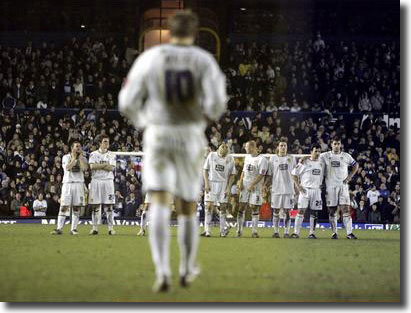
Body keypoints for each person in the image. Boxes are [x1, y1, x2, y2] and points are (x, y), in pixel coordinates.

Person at [118, 10, 227, 292]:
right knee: (188, 206)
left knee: (159, 201)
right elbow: (217, 105)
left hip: (158, 133)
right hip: (190, 135)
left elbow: (126, 100)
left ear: (169, 30)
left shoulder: (151, 58)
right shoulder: (204, 61)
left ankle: (162, 271)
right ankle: (187, 268)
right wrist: (201, 118)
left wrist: (145, 123)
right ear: (194, 33)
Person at [320, 137, 359, 239]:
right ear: (331, 145)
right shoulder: (325, 155)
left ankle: (349, 233)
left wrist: (350, 177)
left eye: (338, 144)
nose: (337, 146)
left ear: (340, 145)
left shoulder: (346, 156)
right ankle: (334, 233)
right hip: (330, 187)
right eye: (335, 144)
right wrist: (304, 158)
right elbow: (313, 156)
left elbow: (356, 165)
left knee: (346, 209)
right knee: (332, 211)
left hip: (343, 186)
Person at [51, 141, 88, 235]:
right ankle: (59, 228)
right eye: (77, 146)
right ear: (72, 148)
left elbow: (84, 168)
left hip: (79, 184)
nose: (79, 148)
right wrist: (74, 158)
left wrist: (80, 158)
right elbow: (67, 167)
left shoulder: (83, 158)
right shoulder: (66, 157)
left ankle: (74, 229)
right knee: (64, 206)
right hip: (68, 184)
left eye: (80, 146)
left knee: (76, 208)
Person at [202, 142, 236, 237]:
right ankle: (207, 231)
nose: (224, 148)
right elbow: (205, 169)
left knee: (223, 207)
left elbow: (232, 174)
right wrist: (206, 183)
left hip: (223, 184)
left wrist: (228, 188)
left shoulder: (230, 158)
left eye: (226, 147)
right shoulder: (212, 155)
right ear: (218, 148)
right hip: (212, 183)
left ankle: (222, 231)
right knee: (209, 206)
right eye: (222, 146)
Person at [291, 144, 324, 239]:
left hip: (316, 190)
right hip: (305, 190)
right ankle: (296, 233)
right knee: (301, 211)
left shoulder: (322, 162)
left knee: (314, 212)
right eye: (315, 151)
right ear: (311, 152)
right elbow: (294, 174)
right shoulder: (304, 162)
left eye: (319, 151)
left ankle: (312, 233)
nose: (317, 153)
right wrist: (298, 187)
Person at [265, 139, 297, 238]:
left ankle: (286, 232)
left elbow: (295, 174)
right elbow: (270, 174)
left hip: (289, 189)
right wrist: (265, 185)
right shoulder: (272, 158)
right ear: (278, 147)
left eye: (285, 146)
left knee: (288, 212)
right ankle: (276, 231)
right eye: (281, 145)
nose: (283, 147)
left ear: (287, 147)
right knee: (276, 211)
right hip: (276, 189)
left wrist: (297, 187)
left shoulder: (292, 158)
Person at [237, 140, 268, 238]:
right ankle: (239, 230)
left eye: (246, 147)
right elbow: (243, 171)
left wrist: (252, 184)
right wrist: (240, 182)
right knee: (241, 207)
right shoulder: (247, 157)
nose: (245, 148)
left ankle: (254, 231)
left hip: (256, 186)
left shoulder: (262, 160)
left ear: (252, 147)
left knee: (255, 207)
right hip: (245, 184)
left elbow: (261, 174)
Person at [88, 135, 117, 235]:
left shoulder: (112, 154)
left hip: (108, 181)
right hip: (96, 181)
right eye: (105, 141)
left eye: (108, 142)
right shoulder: (93, 154)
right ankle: (95, 228)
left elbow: (111, 168)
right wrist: (105, 165)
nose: (107, 143)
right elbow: (92, 166)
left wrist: (99, 166)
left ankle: (110, 228)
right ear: (100, 143)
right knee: (96, 206)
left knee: (109, 206)